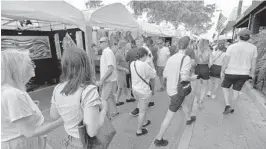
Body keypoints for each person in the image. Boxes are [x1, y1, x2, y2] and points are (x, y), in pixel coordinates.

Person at [1, 49, 63, 149]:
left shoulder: (11, 90)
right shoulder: (13, 94)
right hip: (23, 144)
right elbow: (30, 132)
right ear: (19, 68)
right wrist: (61, 121)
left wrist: (28, 108)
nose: (34, 66)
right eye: (30, 63)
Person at [49, 47, 108, 149]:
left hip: (70, 141)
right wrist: (104, 109)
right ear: (85, 65)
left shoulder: (58, 88)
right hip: (86, 143)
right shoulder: (88, 90)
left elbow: (53, 115)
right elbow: (92, 132)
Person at [154, 36, 197, 146]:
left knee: (182, 103)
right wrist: (194, 77)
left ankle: (188, 118)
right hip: (178, 92)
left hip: (170, 89)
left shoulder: (171, 58)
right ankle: (158, 139)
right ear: (188, 46)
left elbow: (165, 74)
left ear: (178, 46)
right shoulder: (186, 58)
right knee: (169, 116)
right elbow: (185, 78)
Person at [221, 29, 257, 114]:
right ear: (248, 38)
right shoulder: (253, 48)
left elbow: (225, 60)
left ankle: (228, 105)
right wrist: (252, 74)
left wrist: (222, 71)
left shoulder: (231, 47)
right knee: (236, 90)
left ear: (238, 37)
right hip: (244, 74)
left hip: (230, 72)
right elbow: (253, 63)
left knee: (225, 88)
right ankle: (232, 106)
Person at [130, 47, 156, 136]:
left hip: (135, 90)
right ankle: (139, 130)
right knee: (142, 111)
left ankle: (144, 122)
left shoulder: (132, 63)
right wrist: (151, 62)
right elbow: (154, 75)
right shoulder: (145, 65)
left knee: (142, 107)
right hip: (143, 91)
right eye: (146, 56)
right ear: (144, 55)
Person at [97, 37, 119, 117]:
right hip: (108, 80)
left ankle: (107, 117)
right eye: (99, 42)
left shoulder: (108, 52)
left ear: (107, 42)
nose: (100, 43)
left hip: (108, 80)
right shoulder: (105, 52)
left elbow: (110, 68)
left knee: (103, 99)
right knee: (110, 97)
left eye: (102, 41)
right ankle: (114, 112)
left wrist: (102, 80)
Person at [195, 39, 211, 105]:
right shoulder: (209, 51)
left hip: (198, 68)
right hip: (205, 68)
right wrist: (207, 68)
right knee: (204, 86)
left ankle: (197, 98)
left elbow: (194, 62)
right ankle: (201, 100)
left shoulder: (196, 51)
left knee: (198, 85)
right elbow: (211, 63)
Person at [115, 40, 130, 106]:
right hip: (120, 73)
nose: (126, 47)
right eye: (126, 45)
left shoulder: (122, 53)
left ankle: (128, 98)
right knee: (120, 87)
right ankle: (116, 101)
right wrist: (124, 69)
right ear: (123, 46)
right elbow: (116, 66)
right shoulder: (118, 54)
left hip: (122, 72)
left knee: (124, 85)